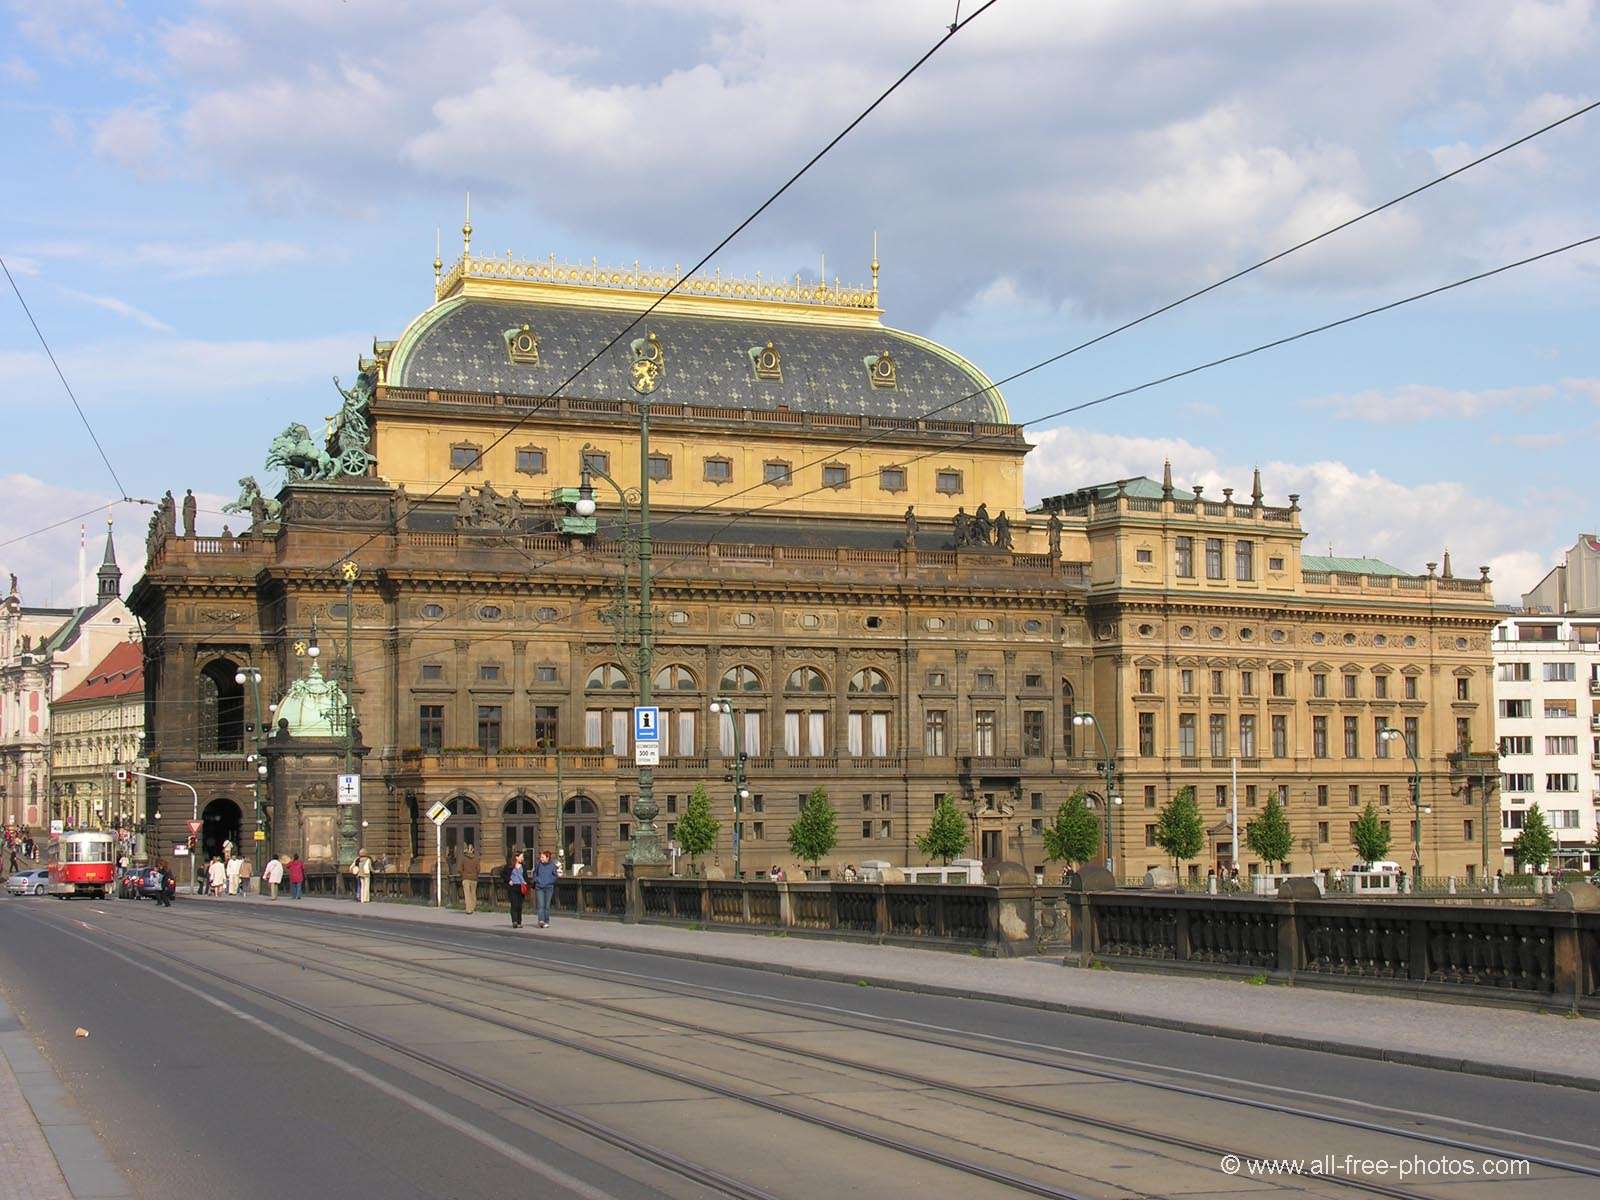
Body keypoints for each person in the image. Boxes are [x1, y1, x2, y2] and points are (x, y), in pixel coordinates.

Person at [532, 849, 558, 929]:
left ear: (547, 858)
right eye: (541, 857)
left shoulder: (552, 865)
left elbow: (555, 875)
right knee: (541, 905)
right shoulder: (538, 864)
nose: (541, 859)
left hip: (549, 887)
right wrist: (537, 880)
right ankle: (541, 920)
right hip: (539, 887)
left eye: (543, 857)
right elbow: (534, 873)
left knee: (547, 906)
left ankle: (546, 921)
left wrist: (550, 881)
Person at [507, 852, 527, 929]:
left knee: (519, 905)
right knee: (514, 904)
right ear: (516, 857)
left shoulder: (523, 866)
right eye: (521, 857)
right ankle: (514, 921)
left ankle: (519, 921)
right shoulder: (510, 866)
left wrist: (526, 882)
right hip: (513, 887)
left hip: (521, 887)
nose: (522, 858)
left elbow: (525, 876)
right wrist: (509, 880)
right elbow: (503, 874)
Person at [459, 844, 480, 914]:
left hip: (465, 878)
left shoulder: (463, 859)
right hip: (474, 878)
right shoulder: (476, 859)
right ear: (473, 850)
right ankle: (473, 907)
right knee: (473, 893)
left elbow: (460, 869)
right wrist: (475, 874)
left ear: (467, 850)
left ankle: (468, 909)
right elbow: (478, 869)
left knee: (467, 894)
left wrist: (462, 874)